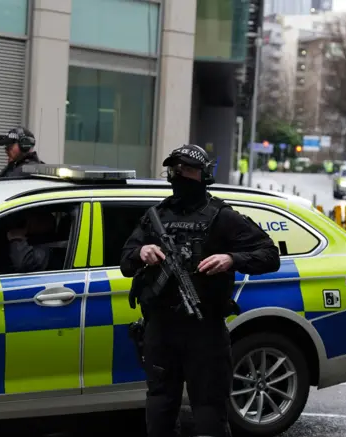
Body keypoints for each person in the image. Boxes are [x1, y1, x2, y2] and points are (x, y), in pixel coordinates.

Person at [120, 144, 280, 437]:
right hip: (161, 329)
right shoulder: (155, 216)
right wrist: (142, 251)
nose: (179, 175)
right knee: (159, 409)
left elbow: (270, 256)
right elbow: (125, 261)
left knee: (209, 414)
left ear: (204, 175)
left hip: (204, 330)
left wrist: (231, 259)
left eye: (187, 170)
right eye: (175, 170)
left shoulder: (222, 216)